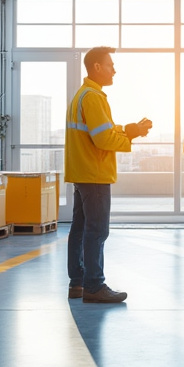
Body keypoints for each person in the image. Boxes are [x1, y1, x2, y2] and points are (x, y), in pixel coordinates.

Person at [64, 46, 152, 303]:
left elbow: (104, 128)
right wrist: (131, 135)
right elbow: (103, 138)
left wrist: (130, 128)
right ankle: (94, 286)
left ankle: (78, 283)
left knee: (80, 230)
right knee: (97, 231)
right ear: (97, 67)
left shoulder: (82, 95)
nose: (115, 69)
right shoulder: (93, 97)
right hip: (95, 174)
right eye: (110, 65)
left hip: (83, 173)